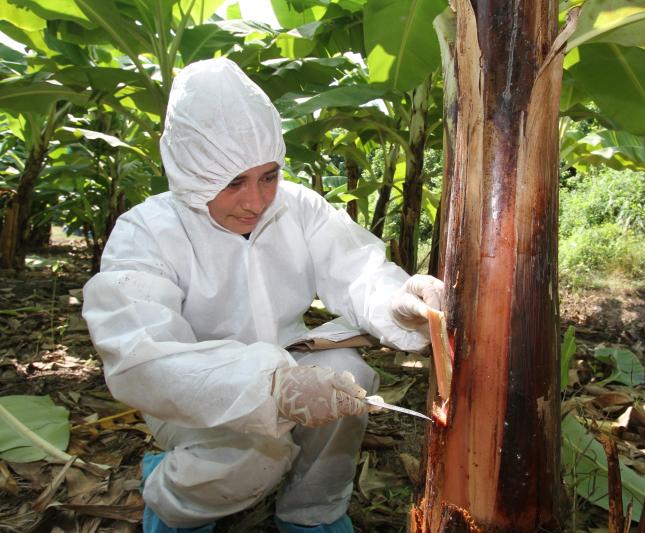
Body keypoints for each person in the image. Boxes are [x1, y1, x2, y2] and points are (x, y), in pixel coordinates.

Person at [81, 57, 443, 533]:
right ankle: (175, 503)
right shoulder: (146, 232)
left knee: (348, 378)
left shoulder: (299, 208)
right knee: (253, 456)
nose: (257, 200)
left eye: (268, 175)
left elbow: (357, 270)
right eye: (233, 183)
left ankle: (312, 515)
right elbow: (142, 356)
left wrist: (397, 301)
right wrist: (269, 387)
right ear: (191, 173)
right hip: (195, 389)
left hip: (289, 360)